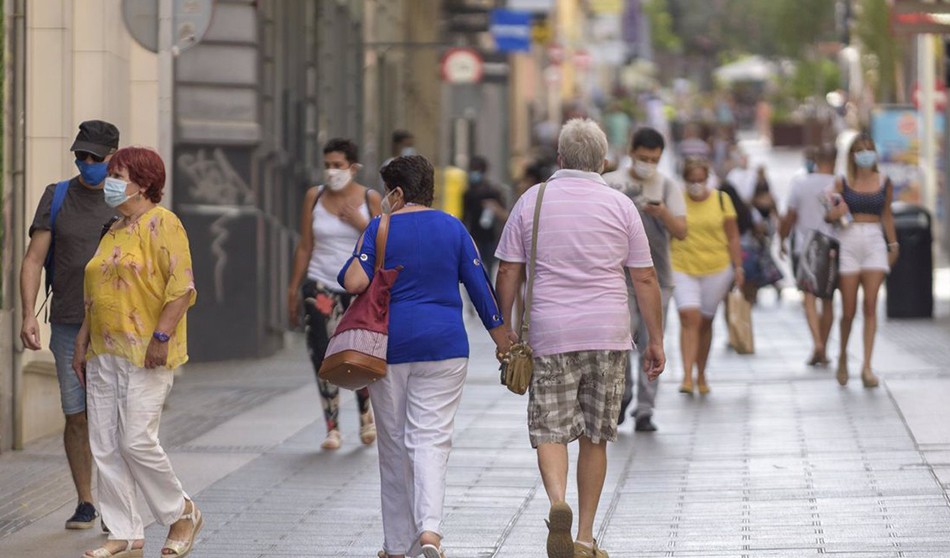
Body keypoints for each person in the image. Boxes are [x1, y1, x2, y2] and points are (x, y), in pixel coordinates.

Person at [495, 119, 665, 558]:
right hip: (608, 333)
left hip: (550, 334)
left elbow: (509, 269)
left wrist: (503, 330)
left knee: (550, 429)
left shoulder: (532, 200)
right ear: (604, 162)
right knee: (595, 435)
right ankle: (586, 538)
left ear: (559, 158)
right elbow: (644, 278)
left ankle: (557, 503)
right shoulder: (621, 205)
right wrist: (656, 340)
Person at [340, 155, 512, 558]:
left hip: (390, 349)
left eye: (387, 191)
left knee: (395, 445)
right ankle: (430, 532)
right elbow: (480, 289)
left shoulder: (379, 227)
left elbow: (353, 281)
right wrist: (503, 343)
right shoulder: (454, 228)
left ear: (396, 192)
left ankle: (398, 545)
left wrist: (365, 237)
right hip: (446, 349)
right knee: (431, 440)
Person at [72, 146, 201, 558]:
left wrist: (161, 338)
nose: (110, 182)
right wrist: (81, 342)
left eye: (118, 174)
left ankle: (181, 512)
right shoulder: (113, 228)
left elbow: (181, 287)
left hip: (146, 349)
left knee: (136, 442)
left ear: (143, 183)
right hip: (102, 350)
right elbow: (96, 293)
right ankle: (125, 533)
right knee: (105, 444)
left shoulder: (164, 224)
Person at [19, 120, 119, 531]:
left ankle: (117, 507)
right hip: (66, 322)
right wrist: (27, 315)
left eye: (96, 157)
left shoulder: (126, 199)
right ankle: (85, 500)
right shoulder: (57, 196)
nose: (88, 163)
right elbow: (32, 260)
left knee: (112, 418)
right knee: (76, 414)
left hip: (116, 326)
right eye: (82, 156)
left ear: (114, 157)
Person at [288, 138, 382, 450]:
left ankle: (366, 418)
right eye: (327, 165)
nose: (332, 171)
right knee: (321, 353)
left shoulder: (370, 199)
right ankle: (332, 427)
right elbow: (305, 246)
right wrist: (293, 288)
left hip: (358, 288)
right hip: (319, 284)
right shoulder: (313, 197)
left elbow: (383, 244)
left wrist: (360, 224)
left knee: (358, 354)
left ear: (353, 168)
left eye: (338, 165)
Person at [603, 127, 687, 432]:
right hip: (618, 277)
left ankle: (645, 409)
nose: (647, 164)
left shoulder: (666, 186)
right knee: (621, 340)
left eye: (654, 159)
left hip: (658, 277)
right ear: (631, 151)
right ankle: (622, 394)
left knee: (653, 342)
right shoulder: (610, 183)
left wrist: (662, 213)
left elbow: (681, 231)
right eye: (642, 157)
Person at [826, 134, 898, 388]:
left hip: (875, 240)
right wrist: (835, 212)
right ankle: (843, 354)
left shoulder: (884, 181)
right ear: (852, 155)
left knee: (870, 305)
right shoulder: (842, 181)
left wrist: (893, 243)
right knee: (848, 310)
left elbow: (887, 213)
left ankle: (867, 366)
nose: (865, 154)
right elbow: (829, 215)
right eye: (859, 150)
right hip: (849, 239)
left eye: (869, 149)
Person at [672, 158, 744, 395]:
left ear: (708, 178)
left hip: (717, 268)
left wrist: (738, 267)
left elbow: (733, 236)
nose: (696, 184)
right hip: (682, 265)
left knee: (705, 322)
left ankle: (701, 373)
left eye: (700, 180)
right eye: (691, 180)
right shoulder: (676, 200)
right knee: (688, 317)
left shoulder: (722, 200)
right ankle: (686, 376)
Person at [780, 144, 837, 366]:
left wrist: (782, 239)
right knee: (829, 299)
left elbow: (789, 216)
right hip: (833, 247)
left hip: (803, 248)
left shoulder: (800, 184)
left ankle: (817, 344)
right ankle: (823, 344)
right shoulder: (839, 183)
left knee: (809, 297)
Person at [461, 156, 507, 277]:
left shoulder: (493, 191)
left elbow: (505, 215)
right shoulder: (468, 193)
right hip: (475, 237)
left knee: (490, 269)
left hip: (491, 237)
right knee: (475, 269)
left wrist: (495, 207)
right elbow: (465, 216)